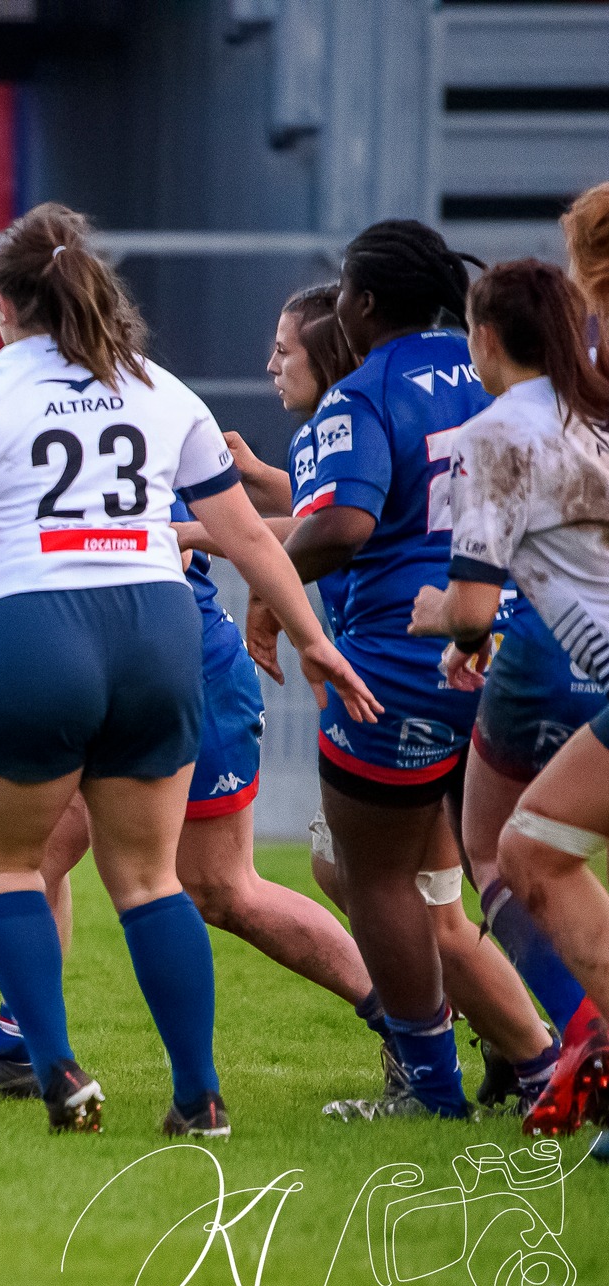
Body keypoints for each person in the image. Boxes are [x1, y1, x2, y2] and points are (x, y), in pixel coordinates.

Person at [0, 204, 377, 1136]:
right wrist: (311, 633)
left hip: (35, 623)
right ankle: (198, 1094)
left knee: (6, 868)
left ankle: (55, 1067)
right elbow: (244, 531)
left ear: (3, 304)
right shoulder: (161, 389)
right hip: (161, 627)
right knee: (153, 879)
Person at [248, 220, 561, 1118]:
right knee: (492, 875)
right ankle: (552, 1057)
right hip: (512, 650)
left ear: (368, 302)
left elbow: (344, 523)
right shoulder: (496, 373)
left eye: (345, 288)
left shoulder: (362, 393)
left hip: (402, 661)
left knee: (372, 875)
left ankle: (431, 1089)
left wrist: (271, 584)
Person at [408, 258, 609, 1135]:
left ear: (483, 338)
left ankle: (588, 1034)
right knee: (530, 843)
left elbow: (471, 603)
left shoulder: (491, 434)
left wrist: (442, 621)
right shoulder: (594, 415)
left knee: (521, 850)